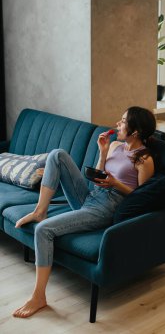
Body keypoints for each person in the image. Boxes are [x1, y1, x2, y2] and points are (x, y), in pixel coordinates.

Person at [13, 106, 156, 318]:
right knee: (57, 155)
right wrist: (103, 153)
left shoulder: (144, 159)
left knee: (43, 231)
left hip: (105, 207)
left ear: (135, 131)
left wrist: (116, 184)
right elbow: (98, 175)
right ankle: (40, 210)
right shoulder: (116, 145)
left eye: (123, 121)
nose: (118, 123)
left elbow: (141, 198)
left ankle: (38, 297)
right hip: (91, 195)